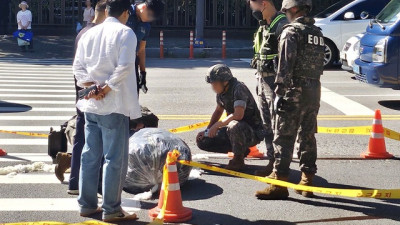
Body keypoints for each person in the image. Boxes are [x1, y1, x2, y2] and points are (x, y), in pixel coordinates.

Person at [73, 0, 140, 221]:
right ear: (125, 13)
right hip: (115, 104)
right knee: (114, 159)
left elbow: (77, 67)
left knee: (90, 155)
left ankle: (87, 204)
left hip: (91, 103)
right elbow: (125, 66)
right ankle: (112, 209)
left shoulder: (89, 33)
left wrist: (92, 87)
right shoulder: (126, 33)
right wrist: (107, 88)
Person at [255, 0, 325, 200]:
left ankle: (279, 183)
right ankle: (307, 180)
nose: (285, 14)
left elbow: (284, 66)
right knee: (307, 136)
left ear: (294, 9)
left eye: (286, 10)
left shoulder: (291, 32)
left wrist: (279, 93)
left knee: (283, 137)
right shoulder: (317, 33)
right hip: (313, 90)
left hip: (293, 91)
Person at [54, 0, 107, 195]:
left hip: (82, 90)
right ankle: (92, 185)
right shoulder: (96, 34)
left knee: (81, 137)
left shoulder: (83, 32)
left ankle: (75, 181)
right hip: (91, 91)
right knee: (94, 139)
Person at [196, 64, 266, 171]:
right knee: (204, 141)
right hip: (235, 131)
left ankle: (238, 160)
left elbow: (238, 115)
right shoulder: (221, 92)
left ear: (225, 81)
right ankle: (242, 150)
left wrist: (218, 125)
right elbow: (218, 111)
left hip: (252, 131)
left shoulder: (238, 88)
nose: (213, 87)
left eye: (214, 83)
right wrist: (208, 129)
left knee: (234, 125)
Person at [248, 0, 288, 177]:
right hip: (263, 81)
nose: (251, 9)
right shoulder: (264, 26)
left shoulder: (281, 25)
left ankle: (279, 166)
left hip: (275, 83)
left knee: (277, 124)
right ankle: (272, 162)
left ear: (263, 3)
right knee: (267, 125)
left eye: (252, 4)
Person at [126, 0, 165, 95]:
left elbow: (141, 49)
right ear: (143, 7)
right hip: (115, 59)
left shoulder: (146, 25)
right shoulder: (125, 12)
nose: (149, 20)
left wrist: (143, 73)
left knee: (134, 95)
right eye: (149, 16)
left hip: (132, 61)